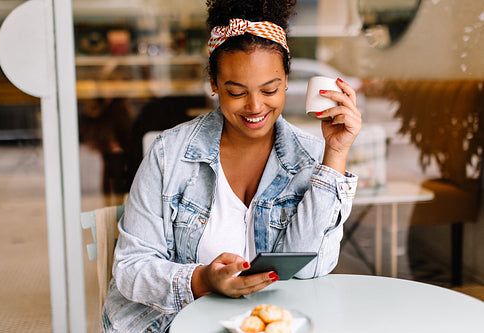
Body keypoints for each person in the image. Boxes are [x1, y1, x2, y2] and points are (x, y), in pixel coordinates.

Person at [102, 0, 361, 332]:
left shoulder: (313, 157)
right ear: (213, 82)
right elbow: (131, 267)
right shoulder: (169, 153)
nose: (255, 107)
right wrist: (203, 279)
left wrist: (335, 155)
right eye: (237, 92)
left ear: (286, 80)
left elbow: (312, 267)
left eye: (270, 89)